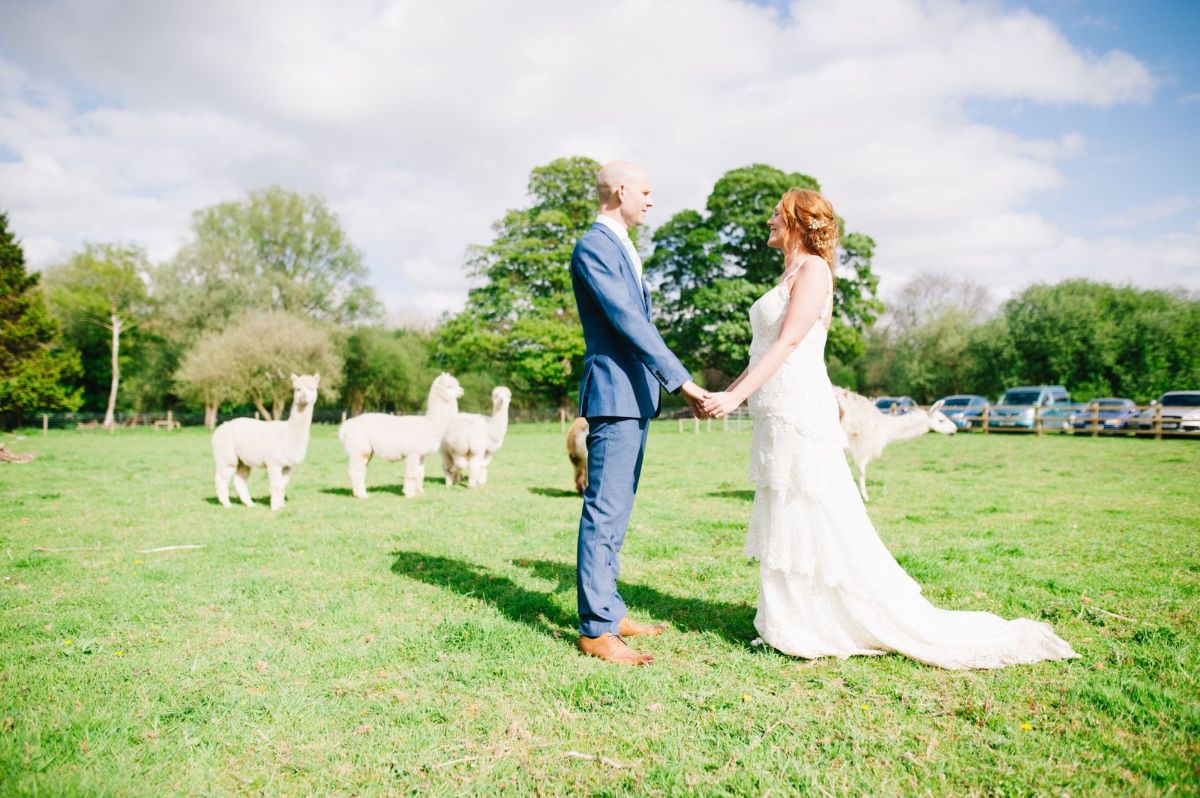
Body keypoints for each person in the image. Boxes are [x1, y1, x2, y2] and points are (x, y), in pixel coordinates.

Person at [700, 189, 1078, 669]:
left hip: (800, 406)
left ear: (797, 222)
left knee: (811, 501)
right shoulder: (789, 273)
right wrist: (727, 395)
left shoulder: (814, 271)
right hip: (776, 406)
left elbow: (791, 340)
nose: (769, 221)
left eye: (776, 214)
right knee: (785, 500)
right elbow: (764, 348)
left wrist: (733, 396)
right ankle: (792, 616)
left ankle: (822, 619)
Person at [569, 160, 709, 666]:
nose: (651, 200)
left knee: (619, 510)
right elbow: (629, 320)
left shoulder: (621, 245)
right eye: (647, 192)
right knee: (605, 510)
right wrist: (684, 381)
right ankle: (596, 629)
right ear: (621, 190)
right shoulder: (594, 246)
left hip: (633, 395)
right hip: (613, 394)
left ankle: (610, 608)